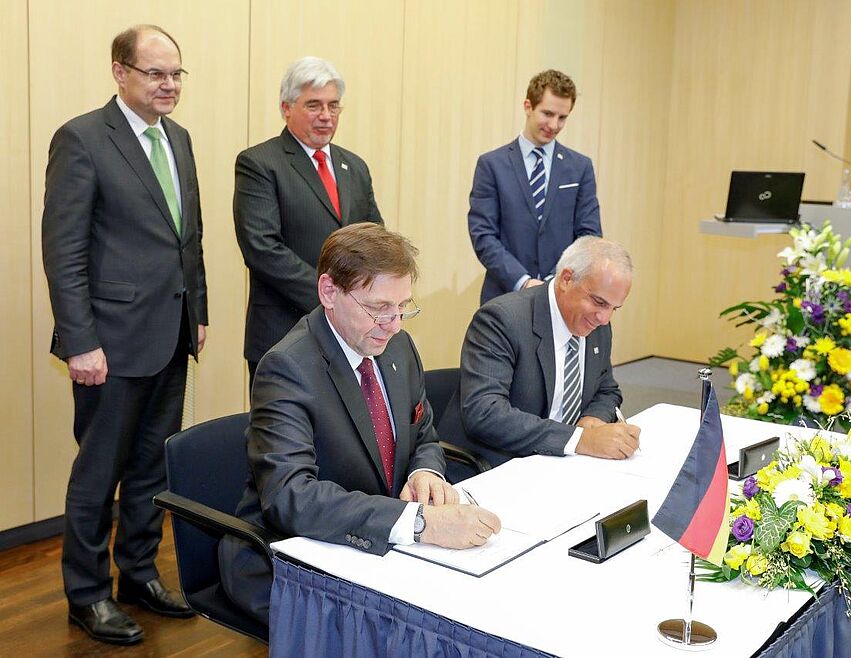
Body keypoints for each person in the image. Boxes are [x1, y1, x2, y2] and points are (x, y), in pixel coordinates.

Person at [219, 223, 501, 624]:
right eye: (379, 308)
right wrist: (418, 524)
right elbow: (290, 496)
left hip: (377, 544)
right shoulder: (287, 369)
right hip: (291, 558)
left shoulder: (397, 346)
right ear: (329, 292)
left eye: (403, 306)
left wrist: (425, 471)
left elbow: (423, 434)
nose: (395, 323)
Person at [40, 25, 206, 645]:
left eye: (176, 74)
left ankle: (137, 575)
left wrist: (200, 310)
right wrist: (79, 339)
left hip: (171, 332)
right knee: (99, 471)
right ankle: (87, 595)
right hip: (108, 343)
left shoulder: (179, 139)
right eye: (155, 73)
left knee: (149, 469)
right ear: (120, 72)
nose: (168, 85)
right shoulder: (82, 138)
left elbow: (188, 235)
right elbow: (64, 251)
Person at [234, 56, 383, 380]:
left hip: (351, 336)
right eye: (314, 105)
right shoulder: (260, 163)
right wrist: (333, 297)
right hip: (284, 334)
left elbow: (375, 240)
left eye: (333, 106)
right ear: (286, 108)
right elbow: (262, 248)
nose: (326, 116)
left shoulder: (354, 167)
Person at [460, 237, 639, 467]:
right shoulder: (502, 320)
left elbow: (607, 389)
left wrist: (592, 421)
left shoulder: (597, 325)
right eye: (598, 302)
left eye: (614, 308)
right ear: (566, 279)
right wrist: (580, 439)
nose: (604, 318)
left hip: (563, 463)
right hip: (503, 463)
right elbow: (485, 412)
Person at [468, 69, 602, 305]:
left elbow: (589, 236)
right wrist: (523, 281)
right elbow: (483, 234)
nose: (554, 125)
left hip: (562, 296)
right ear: (528, 106)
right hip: (504, 296)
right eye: (547, 113)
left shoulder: (580, 168)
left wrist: (556, 280)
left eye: (562, 117)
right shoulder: (492, 165)